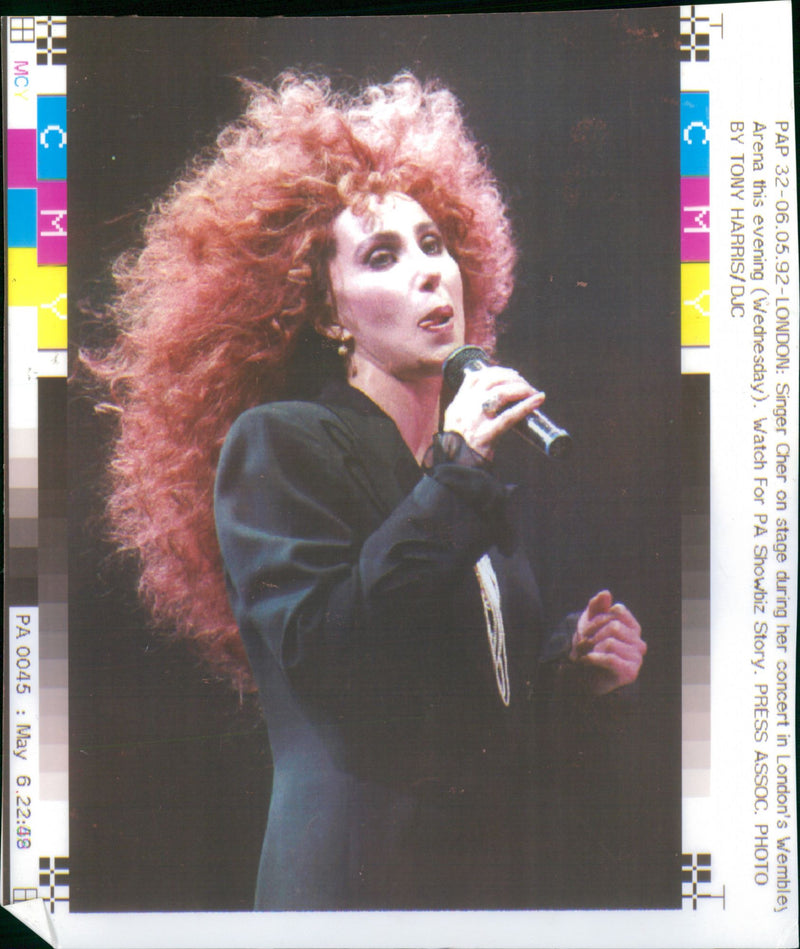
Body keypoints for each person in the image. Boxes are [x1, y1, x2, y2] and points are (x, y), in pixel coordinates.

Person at [85, 72, 646, 910]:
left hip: (475, 890)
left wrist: (569, 666)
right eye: (383, 256)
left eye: (434, 243)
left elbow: (457, 711)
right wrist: (455, 468)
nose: (430, 275)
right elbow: (337, 654)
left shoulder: (465, 471)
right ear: (325, 311)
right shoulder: (280, 443)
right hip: (352, 889)